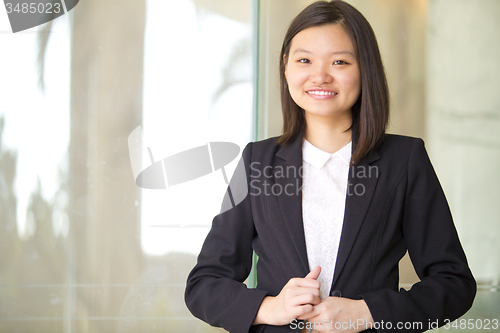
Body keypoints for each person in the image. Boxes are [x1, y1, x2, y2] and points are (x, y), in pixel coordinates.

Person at [185, 1, 476, 332]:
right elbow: (204, 285)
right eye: (304, 60)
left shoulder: (403, 159)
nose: (320, 76)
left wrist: (368, 312)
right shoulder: (257, 162)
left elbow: (454, 284)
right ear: (285, 66)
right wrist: (270, 307)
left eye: (339, 61)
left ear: (365, 68)